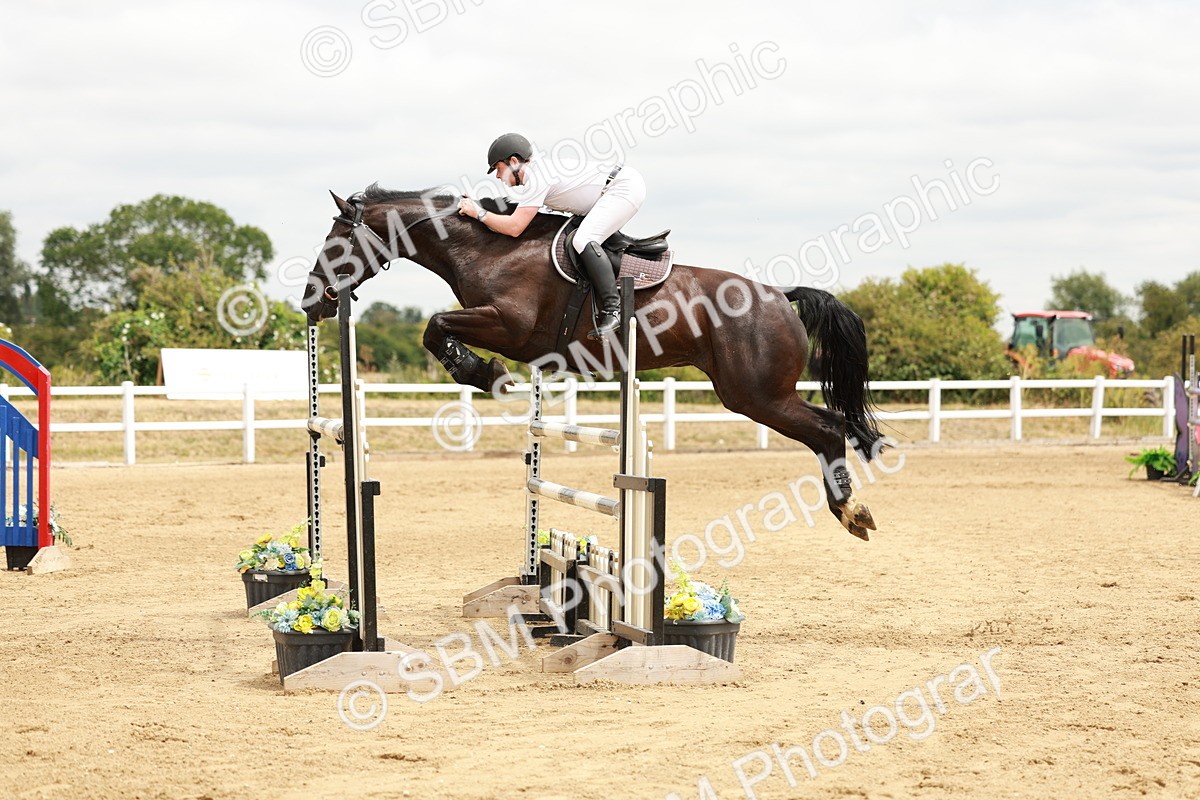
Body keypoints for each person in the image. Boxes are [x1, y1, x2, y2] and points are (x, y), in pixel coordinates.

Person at [457, 133, 647, 339]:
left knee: (582, 240)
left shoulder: (538, 176)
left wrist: (478, 213)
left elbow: (514, 227)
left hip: (623, 189)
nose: (497, 176)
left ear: (513, 161)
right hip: (614, 188)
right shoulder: (538, 173)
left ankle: (613, 310)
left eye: (498, 169)